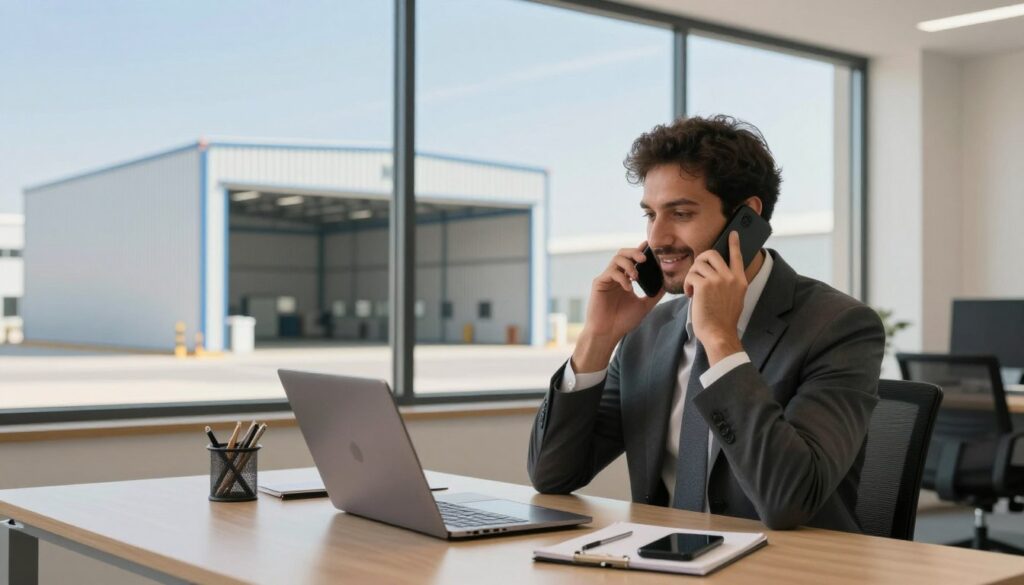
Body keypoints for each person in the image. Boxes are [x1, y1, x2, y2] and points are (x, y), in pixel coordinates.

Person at [527, 115, 884, 532]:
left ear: (745, 219)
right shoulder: (648, 333)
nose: (657, 238)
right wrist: (597, 338)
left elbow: (789, 500)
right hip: (665, 564)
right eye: (650, 214)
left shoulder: (838, 326)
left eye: (680, 213)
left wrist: (720, 338)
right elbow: (553, 476)